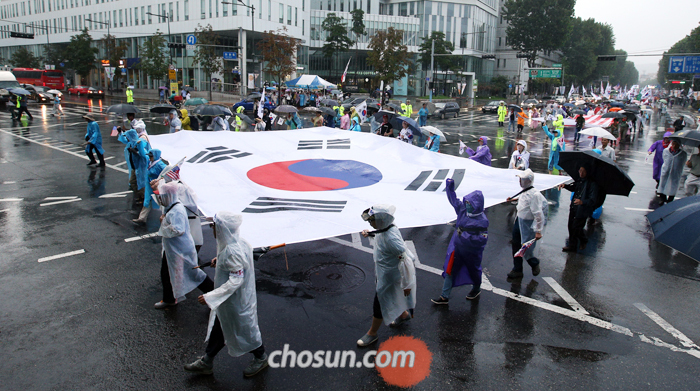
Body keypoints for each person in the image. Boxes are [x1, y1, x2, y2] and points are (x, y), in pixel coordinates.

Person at [184, 212, 268, 377]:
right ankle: (207, 360)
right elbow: (238, 264)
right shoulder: (237, 243)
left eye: (214, 226)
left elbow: (236, 280)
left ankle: (261, 357)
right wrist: (219, 260)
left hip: (235, 301)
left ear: (222, 229)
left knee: (245, 330)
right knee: (220, 327)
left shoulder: (231, 250)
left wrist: (211, 297)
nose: (212, 229)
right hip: (230, 301)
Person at [356, 205, 416, 346]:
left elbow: (408, 259)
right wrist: (371, 233)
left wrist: (407, 283)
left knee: (380, 301)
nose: (370, 223)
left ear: (381, 220)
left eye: (372, 220)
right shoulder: (387, 228)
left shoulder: (391, 239)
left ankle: (372, 333)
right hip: (383, 272)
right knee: (395, 293)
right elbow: (381, 234)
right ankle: (403, 315)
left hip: (389, 276)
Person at [154, 182, 214, 309]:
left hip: (181, 250)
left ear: (169, 196)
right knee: (167, 272)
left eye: (161, 196)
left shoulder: (177, 210)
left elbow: (178, 230)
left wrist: (163, 222)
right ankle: (169, 298)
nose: (160, 199)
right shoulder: (171, 206)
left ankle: (214, 296)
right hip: (173, 250)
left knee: (194, 274)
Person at [431, 179, 488, 304]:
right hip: (457, 249)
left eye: (469, 203)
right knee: (450, 270)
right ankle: (444, 296)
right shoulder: (463, 210)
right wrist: (449, 188)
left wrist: (464, 237)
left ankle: (476, 288)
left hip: (472, 253)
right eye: (466, 202)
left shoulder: (482, 221)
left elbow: (482, 240)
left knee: (474, 271)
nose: (467, 204)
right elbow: (453, 200)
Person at [506, 169, 546, 279]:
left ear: (528, 180)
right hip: (519, 221)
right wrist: (513, 199)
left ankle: (534, 263)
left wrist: (538, 231)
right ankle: (517, 269)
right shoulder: (524, 191)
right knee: (516, 245)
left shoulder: (534, 195)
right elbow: (523, 201)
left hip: (527, 225)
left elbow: (538, 214)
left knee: (526, 249)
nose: (520, 181)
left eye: (522, 179)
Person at [559, 162, 599, 252]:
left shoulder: (592, 184)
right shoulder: (579, 180)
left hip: (583, 210)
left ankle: (584, 240)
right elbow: (574, 187)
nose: (581, 173)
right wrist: (565, 186)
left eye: (583, 171)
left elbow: (592, 200)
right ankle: (572, 246)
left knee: (577, 227)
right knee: (570, 226)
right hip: (574, 207)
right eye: (580, 171)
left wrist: (582, 202)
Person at [133, 149, 168, 224]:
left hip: (157, 186)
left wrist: (160, 179)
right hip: (149, 186)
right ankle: (142, 218)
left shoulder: (160, 165)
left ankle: (166, 218)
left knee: (161, 203)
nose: (150, 157)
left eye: (151, 156)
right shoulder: (151, 163)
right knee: (147, 201)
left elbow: (167, 172)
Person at [118, 129, 150, 203]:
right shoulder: (131, 143)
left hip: (140, 168)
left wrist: (135, 152)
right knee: (133, 182)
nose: (127, 138)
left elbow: (145, 156)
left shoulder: (139, 144)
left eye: (128, 136)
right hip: (134, 167)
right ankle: (139, 195)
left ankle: (143, 198)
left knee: (141, 183)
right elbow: (123, 140)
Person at [658, 140, 688, 204]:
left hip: (676, 171)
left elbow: (683, 163)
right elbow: (664, 159)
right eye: (673, 144)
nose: (674, 146)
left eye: (676, 144)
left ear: (679, 145)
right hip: (666, 170)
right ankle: (663, 198)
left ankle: (670, 200)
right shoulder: (666, 151)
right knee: (663, 183)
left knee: (673, 185)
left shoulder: (683, 154)